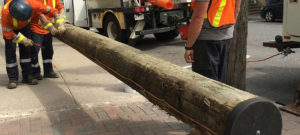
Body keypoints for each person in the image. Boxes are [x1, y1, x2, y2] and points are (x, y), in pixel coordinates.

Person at [1, 0, 58, 89]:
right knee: (10, 53)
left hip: (25, 27)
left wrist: (55, 19)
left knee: (26, 52)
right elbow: (8, 34)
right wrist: (23, 40)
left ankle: (27, 76)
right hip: (11, 29)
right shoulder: (5, 14)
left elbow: (44, 10)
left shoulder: (31, 4)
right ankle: (13, 79)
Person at [184, 0, 241, 83]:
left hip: (206, 40)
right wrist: (228, 31)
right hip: (226, 37)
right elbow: (237, 9)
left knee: (206, 83)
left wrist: (189, 46)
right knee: (220, 80)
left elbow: (198, 18)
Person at [30, 0, 65, 80]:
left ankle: (48, 71)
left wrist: (61, 21)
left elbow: (60, 7)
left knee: (48, 50)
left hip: (47, 29)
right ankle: (35, 72)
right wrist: (51, 27)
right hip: (36, 28)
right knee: (34, 51)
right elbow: (40, 14)